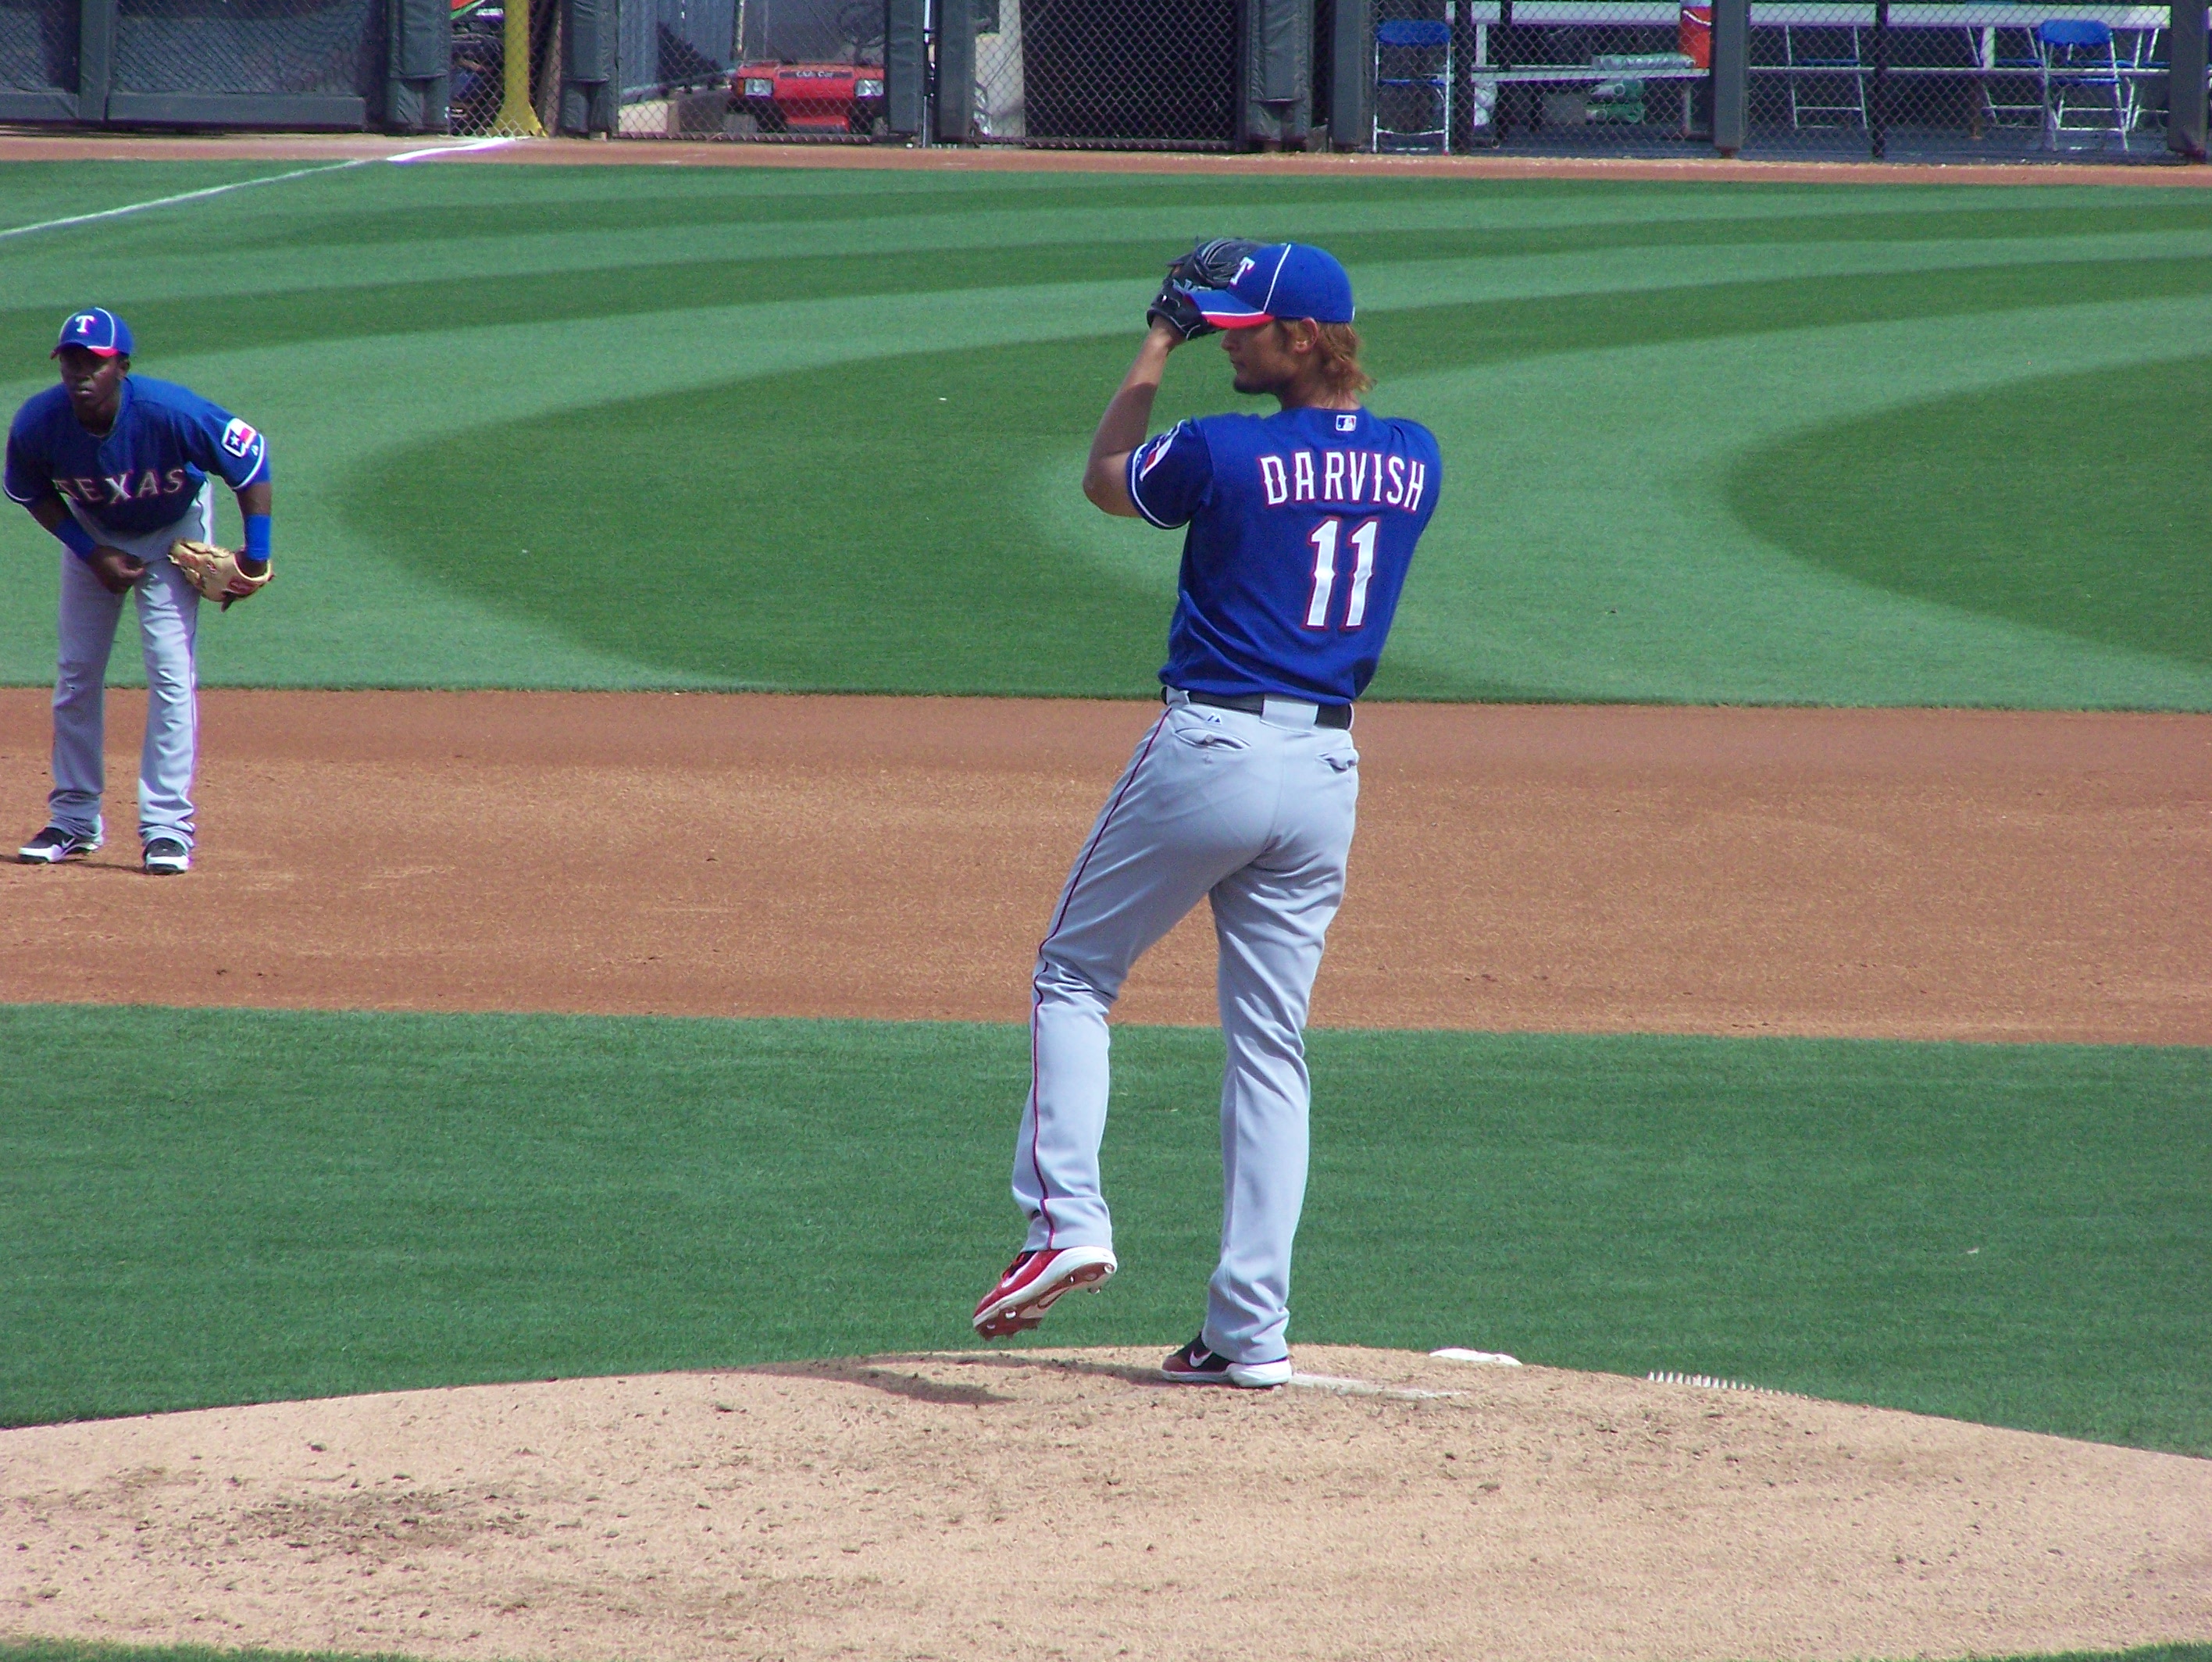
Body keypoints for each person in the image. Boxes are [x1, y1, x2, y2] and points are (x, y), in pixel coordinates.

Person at [970, 244, 1443, 1387]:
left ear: (1304, 339)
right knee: (1272, 1050)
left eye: (1244, 328)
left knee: (1072, 977)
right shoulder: (1417, 459)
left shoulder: (1220, 450)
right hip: (1327, 771)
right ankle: (1249, 1334)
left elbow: (1105, 477)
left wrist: (1154, 345)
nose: (1228, 340)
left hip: (1213, 750)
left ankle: (1065, 1223)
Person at [6, 309, 273, 876]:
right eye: (72, 360)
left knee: (171, 672)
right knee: (77, 671)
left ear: (121, 367)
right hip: (94, 532)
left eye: (95, 362)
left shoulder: (170, 413)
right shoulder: (38, 423)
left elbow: (251, 460)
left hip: (175, 531)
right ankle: (74, 821)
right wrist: (89, 550)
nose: (81, 371)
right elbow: (29, 490)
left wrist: (256, 555)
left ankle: (167, 828)